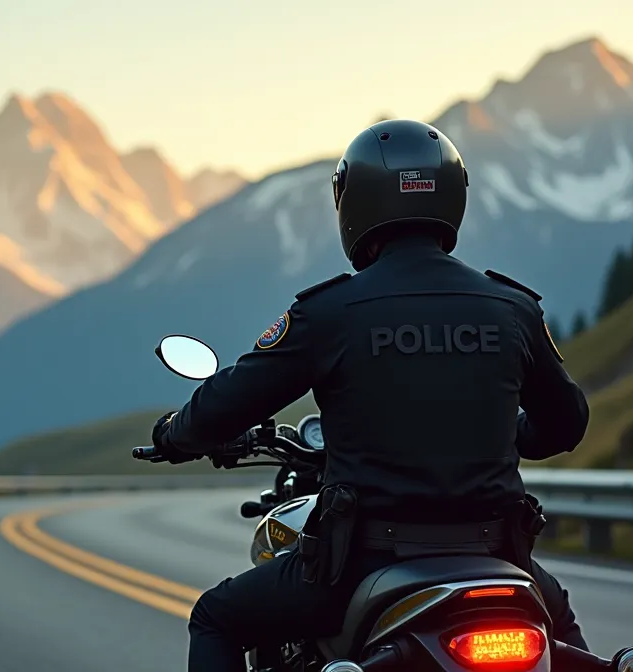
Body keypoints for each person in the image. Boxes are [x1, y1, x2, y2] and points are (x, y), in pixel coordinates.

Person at [146, 119, 591, 672]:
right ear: (452, 196)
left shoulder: (330, 311)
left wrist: (173, 433)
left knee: (216, 617)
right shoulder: (513, 307)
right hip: (497, 553)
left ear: (353, 202)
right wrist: (509, 432)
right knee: (564, 633)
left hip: (362, 560)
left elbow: (225, 405)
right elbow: (566, 424)